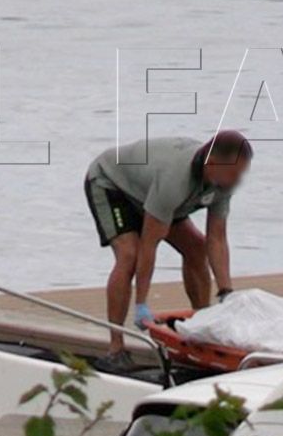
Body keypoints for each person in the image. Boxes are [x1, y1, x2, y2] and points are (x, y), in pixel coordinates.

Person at [85, 130, 253, 371]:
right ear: (213, 163)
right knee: (129, 255)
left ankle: (200, 328)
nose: (238, 181)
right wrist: (141, 304)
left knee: (196, 248)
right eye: (234, 173)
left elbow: (216, 239)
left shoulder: (223, 184)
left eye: (242, 174)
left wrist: (226, 292)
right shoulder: (174, 179)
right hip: (111, 184)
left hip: (150, 194)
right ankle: (116, 348)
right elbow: (149, 244)